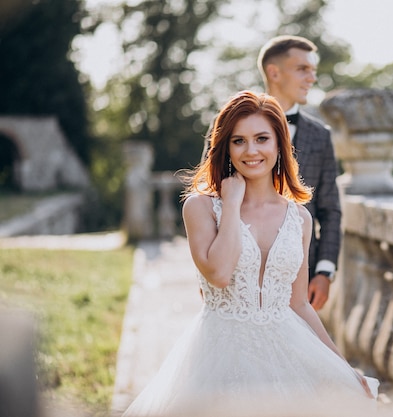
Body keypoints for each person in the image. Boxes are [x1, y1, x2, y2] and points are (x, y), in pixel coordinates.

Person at [122, 91, 377, 417]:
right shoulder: (200, 208)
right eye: (239, 141)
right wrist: (230, 203)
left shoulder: (300, 217)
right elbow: (220, 273)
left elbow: (298, 303)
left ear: (279, 145)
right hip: (220, 355)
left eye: (261, 139)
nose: (251, 150)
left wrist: (342, 366)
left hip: (287, 352)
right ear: (226, 147)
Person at [202, 35, 341, 311]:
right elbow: (209, 194)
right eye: (303, 69)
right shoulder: (228, 124)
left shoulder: (320, 136)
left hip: (300, 271)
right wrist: (207, 267)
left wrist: (325, 270)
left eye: (313, 71)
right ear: (274, 72)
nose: (311, 79)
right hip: (235, 272)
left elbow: (330, 208)